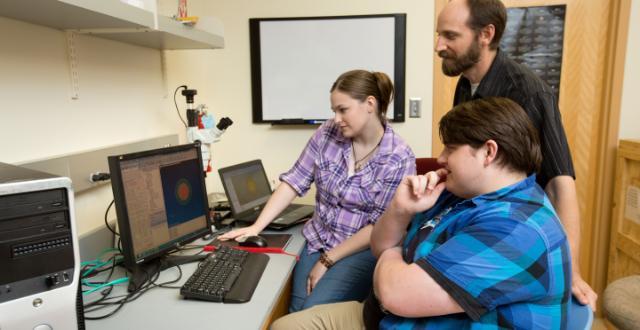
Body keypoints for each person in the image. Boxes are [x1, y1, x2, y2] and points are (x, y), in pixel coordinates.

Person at [272, 97, 572, 329]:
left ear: (489, 152)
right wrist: (401, 210)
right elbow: (379, 244)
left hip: (398, 314)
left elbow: (395, 293)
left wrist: (393, 251)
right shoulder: (460, 193)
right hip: (381, 318)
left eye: (450, 148)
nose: (440, 158)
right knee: (283, 326)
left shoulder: (518, 229)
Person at [434, 0, 597, 309]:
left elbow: (560, 183)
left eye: (450, 36)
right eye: (438, 34)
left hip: (511, 234)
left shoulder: (529, 92)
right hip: (475, 220)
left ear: (486, 34)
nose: (439, 45)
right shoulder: (465, 85)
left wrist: (571, 271)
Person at [219, 69, 416, 312]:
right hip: (317, 239)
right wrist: (256, 227)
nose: (336, 119)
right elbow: (294, 180)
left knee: (312, 310)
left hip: (360, 251)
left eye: (343, 110)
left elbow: (378, 227)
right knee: (297, 310)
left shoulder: (398, 157)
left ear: (370, 104)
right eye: (334, 111)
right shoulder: (327, 134)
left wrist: (328, 260)